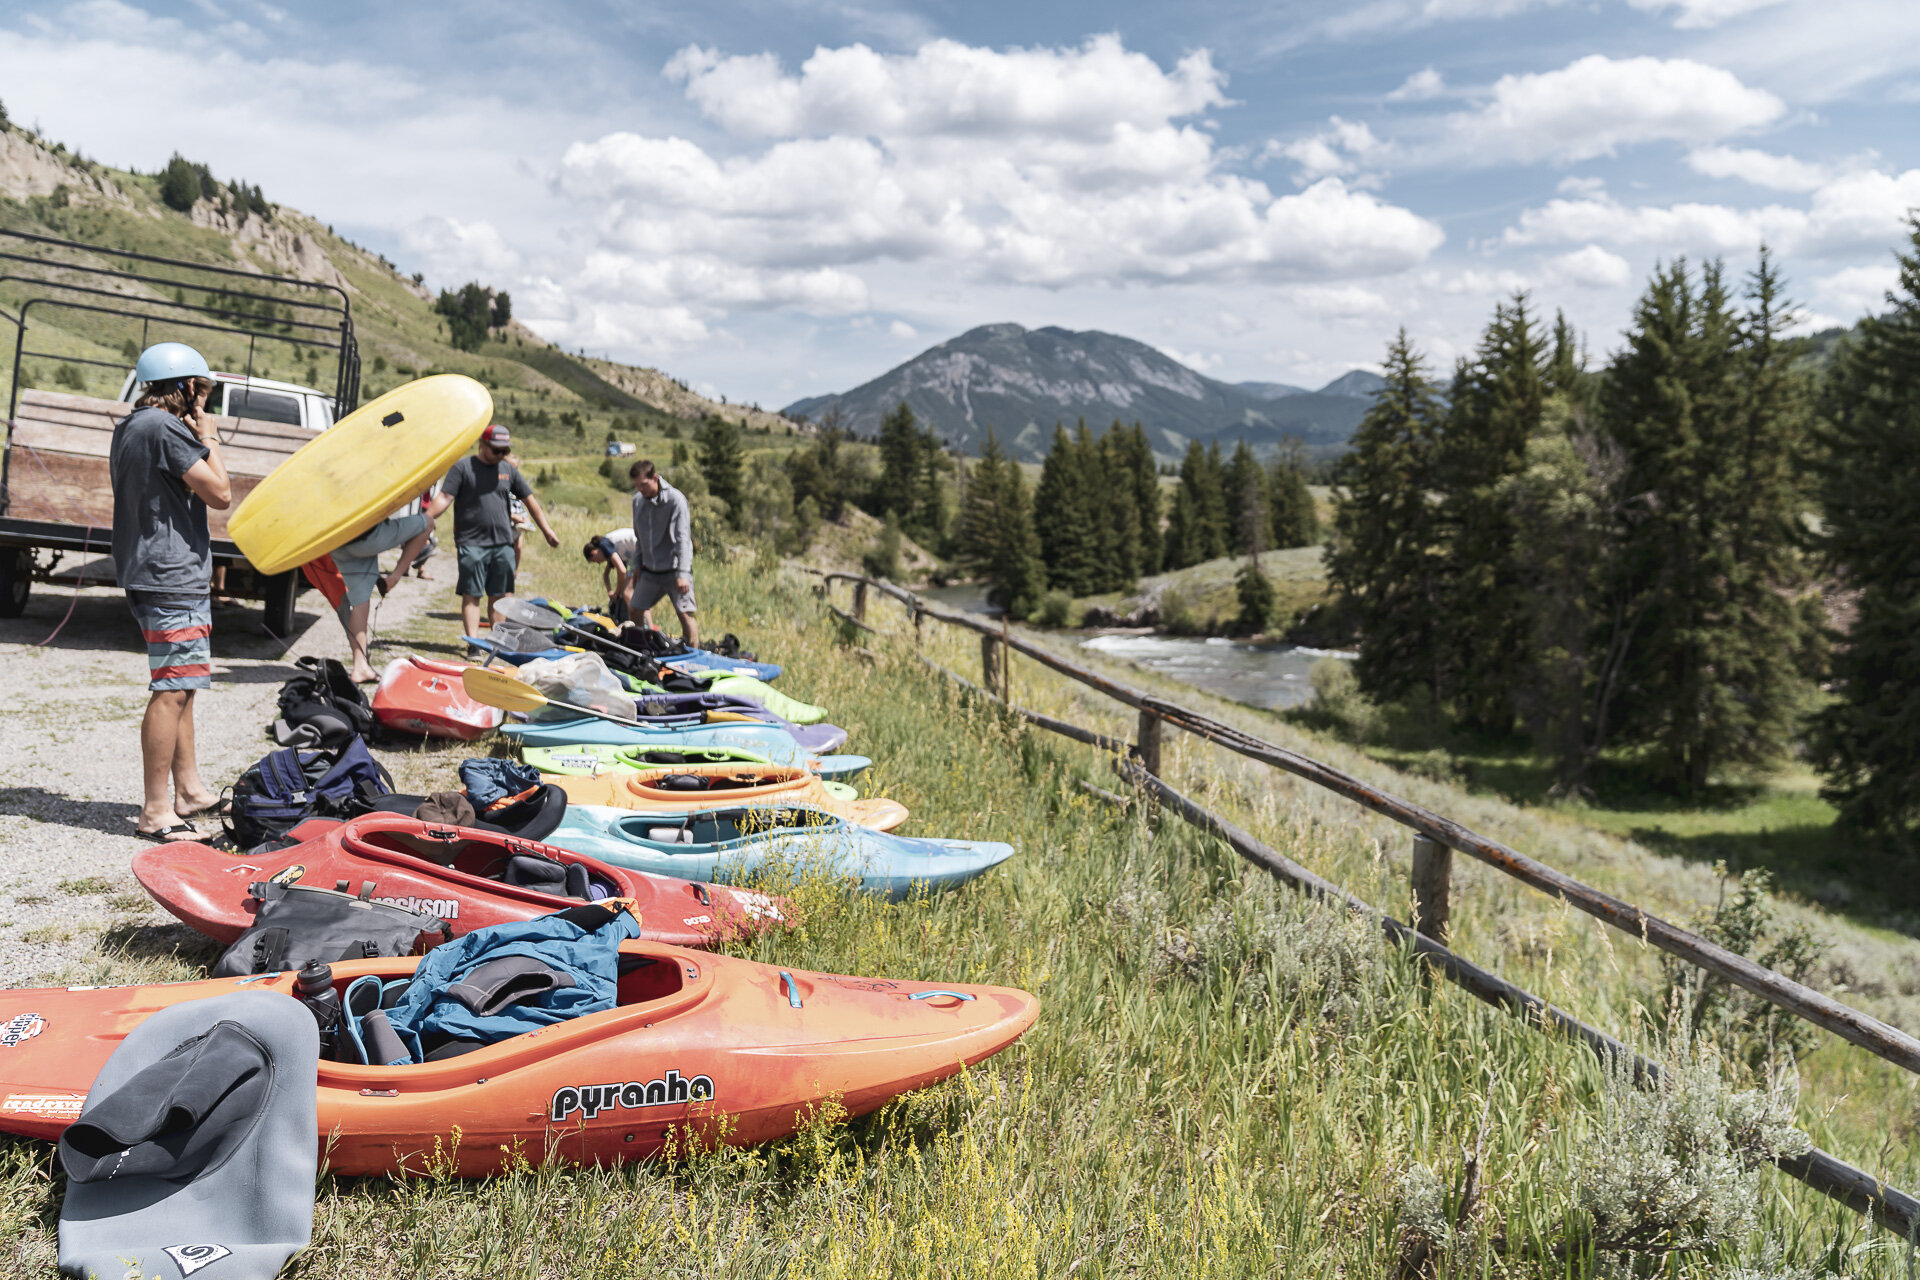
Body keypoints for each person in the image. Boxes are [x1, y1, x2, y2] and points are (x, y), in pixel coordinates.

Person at [110, 342, 231, 841]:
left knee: (182, 686)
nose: (203, 400)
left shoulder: (131, 426)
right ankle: (157, 809)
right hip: (170, 575)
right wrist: (210, 438)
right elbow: (220, 493)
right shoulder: (166, 429)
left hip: (151, 570)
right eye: (200, 390)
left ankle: (189, 790)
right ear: (184, 387)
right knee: (172, 690)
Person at [440, 423, 559, 642]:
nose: (501, 455)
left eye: (505, 451)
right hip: (472, 542)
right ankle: (474, 643)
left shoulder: (508, 470)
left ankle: (497, 642)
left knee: (501, 597)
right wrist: (428, 518)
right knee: (472, 594)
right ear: (482, 445)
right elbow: (445, 498)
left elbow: (530, 501)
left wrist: (547, 530)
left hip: (503, 543)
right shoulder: (462, 468)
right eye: (497, 450)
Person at [329, 483, 441, 682]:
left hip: (338, 542)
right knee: (428, 523)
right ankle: (395, 576)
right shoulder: (376, 472)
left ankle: (360, 667)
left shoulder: (335, 480)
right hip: (368, 538)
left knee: (360, 601)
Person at [628, 459, 697, 648]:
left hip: (675, 571)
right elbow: (639, 536)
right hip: (650, 571)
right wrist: (637, 565)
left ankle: (693, 656)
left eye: (644, 485)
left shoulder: (675, 500)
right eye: (637, 486)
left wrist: (683, 573)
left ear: (655, 478)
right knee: (635, 608)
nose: (641, 490)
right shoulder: (638, 501)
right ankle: (638, 649)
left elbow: (683, 538)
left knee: (685, 615)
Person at [582, 526, 638, 622]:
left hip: (642, 550)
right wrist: (610, 592)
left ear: (594, 552)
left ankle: (636, 621)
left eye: (595, 560)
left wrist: (617, 592)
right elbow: (606, 575)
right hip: (639, 554)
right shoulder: (609, 550)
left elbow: (622, 571)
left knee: (627, 594)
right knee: (628, 593)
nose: (598, 563)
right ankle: (634, 620)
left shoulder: (604, 545)